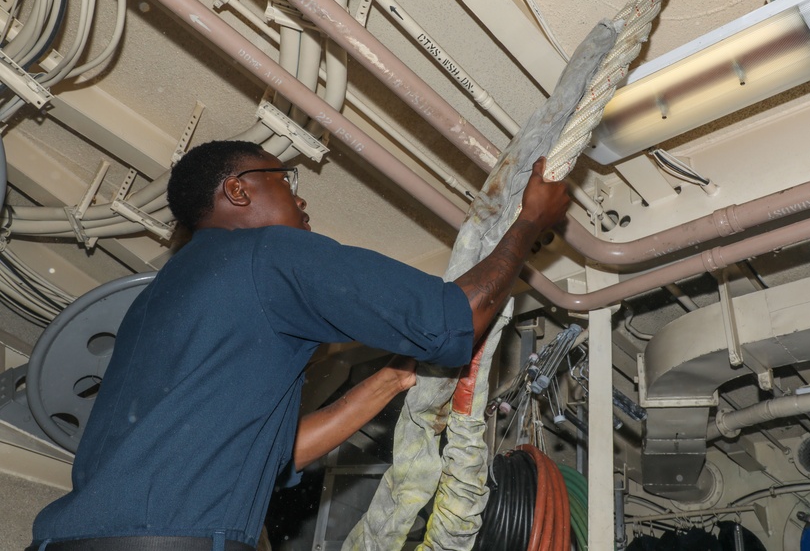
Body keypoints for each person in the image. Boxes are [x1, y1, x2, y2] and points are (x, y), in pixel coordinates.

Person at [29, 140, 570, 551]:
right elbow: (456, 318)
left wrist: (387, 381)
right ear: (238, 190)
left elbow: (274, 451)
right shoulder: (268, 254)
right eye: (285, 179)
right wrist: (529, 221)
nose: (301, 194)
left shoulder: (153, 305)